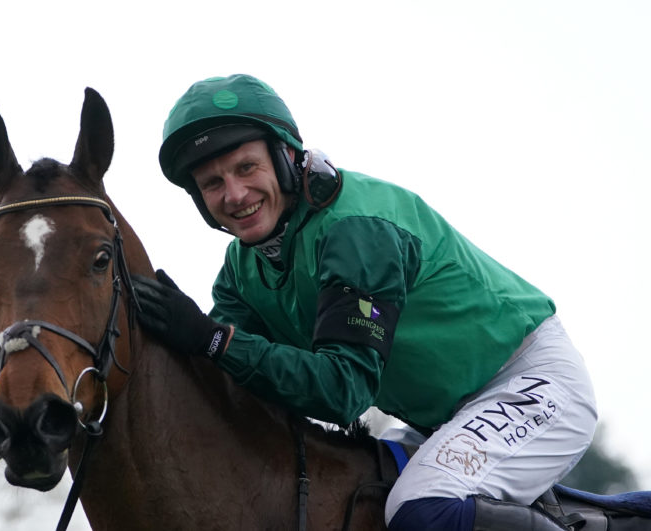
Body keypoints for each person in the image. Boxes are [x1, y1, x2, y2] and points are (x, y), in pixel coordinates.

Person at [131, 73, 598, 530]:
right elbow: (226, 374)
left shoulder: (357, 231)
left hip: (529, 382)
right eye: (212, 183)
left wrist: (211, 339)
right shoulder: (241, 268)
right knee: (359, 496)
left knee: (420, 509)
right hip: (442, 417)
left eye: (247, 168)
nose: (234, 194)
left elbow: (342, 392)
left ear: (286, 156)